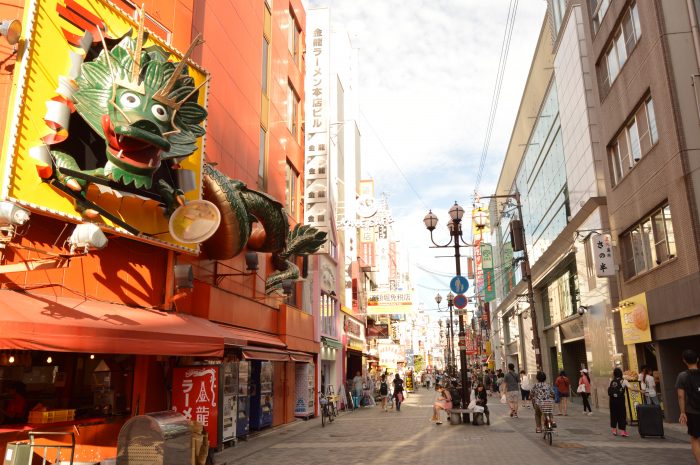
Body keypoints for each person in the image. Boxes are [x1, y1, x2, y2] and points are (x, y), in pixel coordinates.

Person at [676, 349, 700, 464]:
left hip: (692, 412)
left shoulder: (682, 376)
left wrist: (682, 412)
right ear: (698, 359)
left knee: (695, 438)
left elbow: (681, 396)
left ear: (684, 361)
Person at [608, 367, 630, 437]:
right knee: (622, 414)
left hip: (612, 401)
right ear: (621, 373)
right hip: (620, 400)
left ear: (614, 374)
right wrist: (640, 391)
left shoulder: (611, 380)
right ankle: (623, 431)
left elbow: (609, 389)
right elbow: (631, 388)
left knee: (613, 414)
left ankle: (614, 430)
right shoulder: (624, 381)